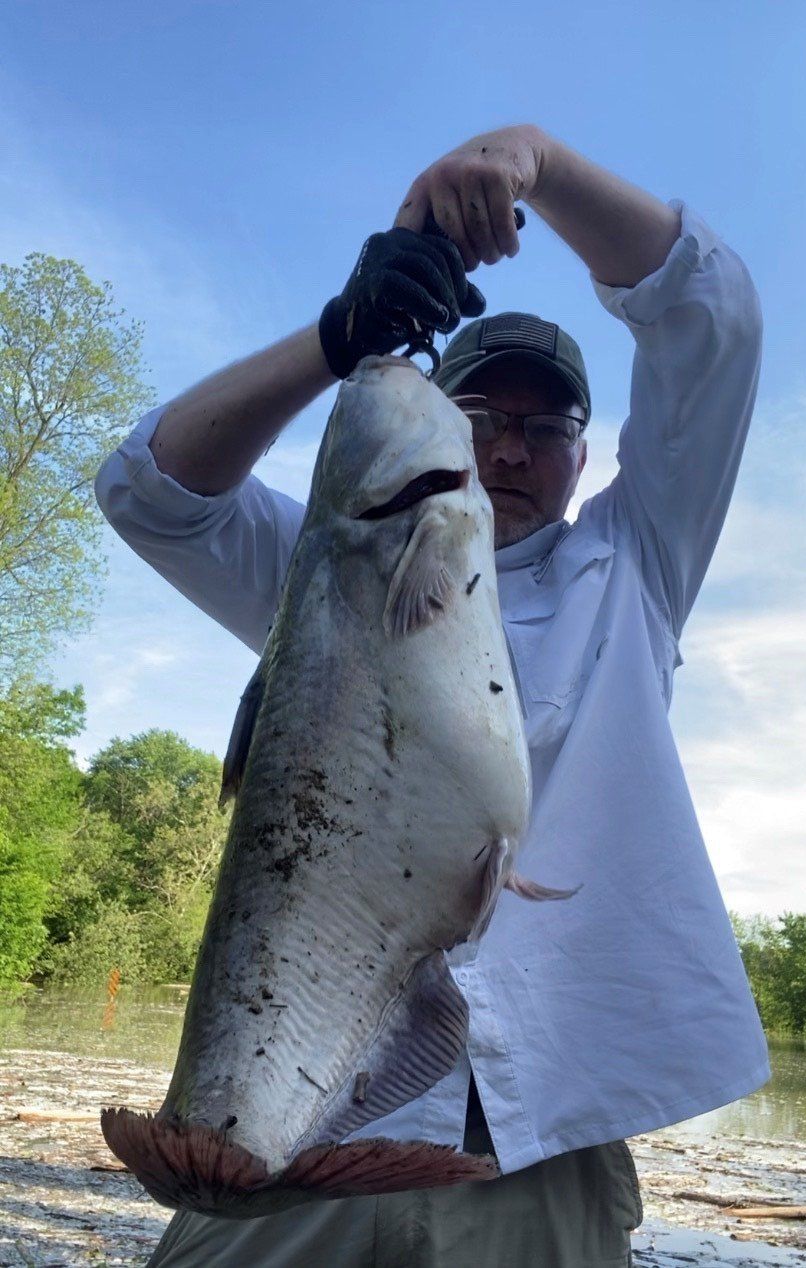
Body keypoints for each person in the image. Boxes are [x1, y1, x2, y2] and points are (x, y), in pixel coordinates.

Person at [95, 125, 769, 1267]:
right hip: (280, 1121)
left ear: (581, 448)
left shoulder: (635, 566)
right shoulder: (333, 559)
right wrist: (336, 340)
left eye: (545, 425)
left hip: (534, 1151)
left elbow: (714, 315)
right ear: (440, 417)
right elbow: (150, 488)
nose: (511, 447)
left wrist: (536, 164)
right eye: (484, 416)